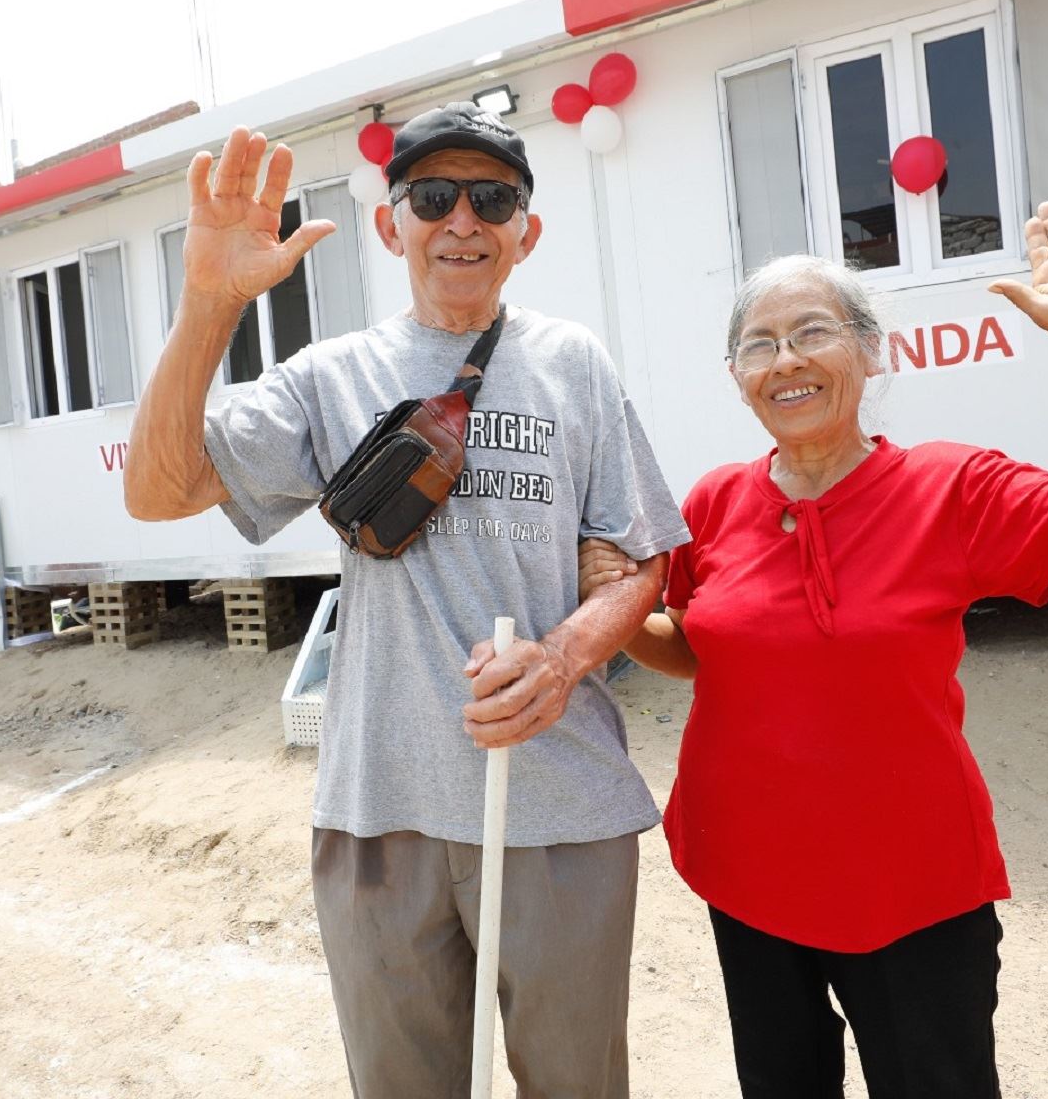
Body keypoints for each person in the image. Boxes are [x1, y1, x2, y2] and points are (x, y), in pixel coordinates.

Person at [576, 200, 1048, 1098]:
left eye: (813, 332)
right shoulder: (716, 500)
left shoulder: (952, 489)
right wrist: (602, 599)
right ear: (736, 375)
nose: (787, 359)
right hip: (747, 879)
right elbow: (699, 645)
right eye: (759, 344)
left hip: (913, 897)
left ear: (873, 353)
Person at [124, 107, 688, 1097]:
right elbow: (158, 492)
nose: (462, 220)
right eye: (433, 197)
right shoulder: (330, 378)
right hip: (382, 809)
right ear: (393, 227)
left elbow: (640, 559)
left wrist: (560, 662)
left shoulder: (575, 365)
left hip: (560, 807)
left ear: (526, 231)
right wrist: (209, 304)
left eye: (492, 198)